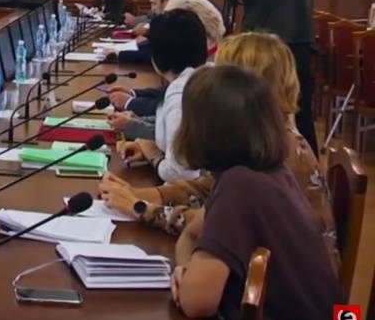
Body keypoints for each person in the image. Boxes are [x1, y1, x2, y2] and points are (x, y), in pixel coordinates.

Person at [100, 34, 338, 265]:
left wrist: (141, 208)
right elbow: (206, 188)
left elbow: (214, 225)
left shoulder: (274, 152)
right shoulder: (264, 134)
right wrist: (135, 194)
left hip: (278, 281)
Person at [167, 65, 342, 320]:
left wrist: (187, 276)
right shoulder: (269, 172)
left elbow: (197, 302)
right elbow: (190, 234)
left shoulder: (239, 186)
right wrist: (186, 270)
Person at [217, 0, 317, 153]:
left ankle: (263, 156)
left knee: (260, 109)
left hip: (266, 48)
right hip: (301, 43)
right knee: (301, 110)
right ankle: (309, 163)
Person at [118, 9, 206, 183]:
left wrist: (154, 156)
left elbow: (181, 173)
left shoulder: (181, 93)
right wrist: (147, 146)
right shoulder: (202, 77)